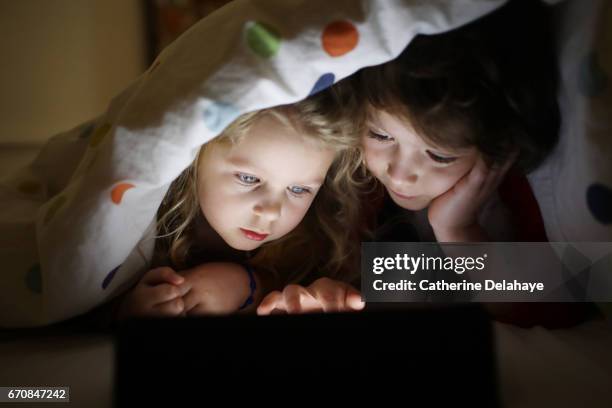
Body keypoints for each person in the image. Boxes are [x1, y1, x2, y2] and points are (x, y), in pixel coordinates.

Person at [116, 86, 369, 319]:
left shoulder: (323, 235)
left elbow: (401, 285)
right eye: (249, 178)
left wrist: (247, 286)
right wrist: (129, 312)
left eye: (298, 189)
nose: (270, 212)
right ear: (197, 153)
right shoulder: (139, 223)